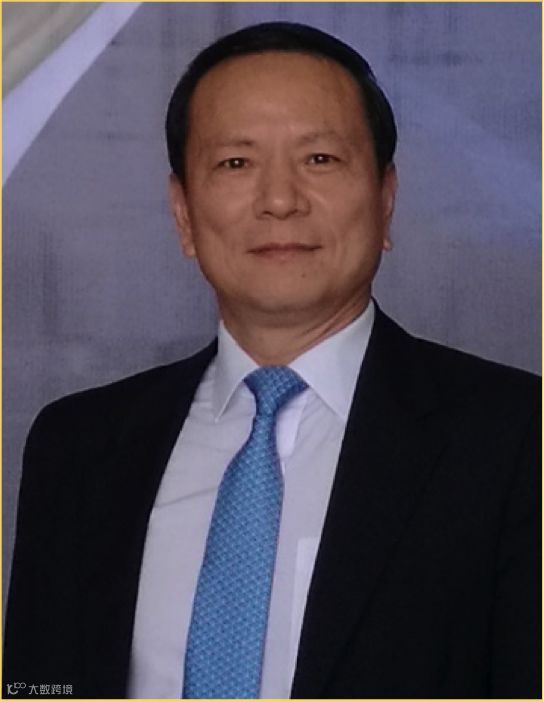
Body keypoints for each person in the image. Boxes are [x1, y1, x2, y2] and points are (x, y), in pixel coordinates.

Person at [4, 21, 540, 700]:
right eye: (236, 163)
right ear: (183, 214)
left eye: (320, 158)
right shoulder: (78, 447)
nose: (280, 200)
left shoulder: (516, 438)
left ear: (386, 199)